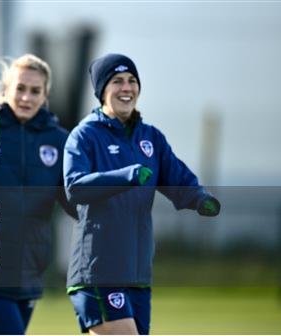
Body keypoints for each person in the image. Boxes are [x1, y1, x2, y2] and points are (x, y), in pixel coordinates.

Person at [63, 53, 220, 335]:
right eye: (117, 81)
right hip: (98, 271)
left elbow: (177, 176)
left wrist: (199, 198)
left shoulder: (151, 138)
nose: (127, 88)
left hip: (137, 274)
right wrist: (127, 176)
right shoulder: (84, 136)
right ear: (101, 91)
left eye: (132, 81)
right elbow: (75, 187)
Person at [0, 54, 77, 334]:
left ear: (45, 94)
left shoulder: (60, 140)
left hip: (29, 269)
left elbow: (72, 199)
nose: (26, 97)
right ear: (6, 89)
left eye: (35, 91)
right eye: (20, 88)